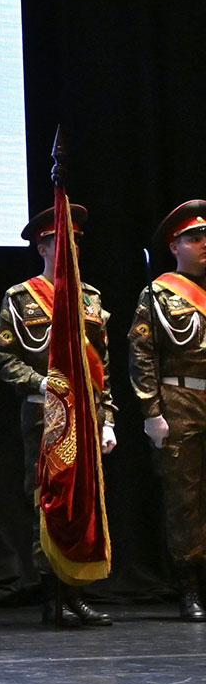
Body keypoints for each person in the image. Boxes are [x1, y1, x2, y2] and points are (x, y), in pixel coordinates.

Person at [0, 204, 116, 627]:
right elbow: (4, 357)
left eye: (76, 242)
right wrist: (39, 381)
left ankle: (76, 591)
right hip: (44, 413)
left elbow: (102, 365)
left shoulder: (91, 298)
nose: (71, 249)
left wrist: (109, 417)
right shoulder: (21, 298)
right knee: (48, 498)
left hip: (87, 414)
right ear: (42, 247)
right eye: (62, 241)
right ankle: (51, 594)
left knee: (84, 502)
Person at [130, 199, 206, 620]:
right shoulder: (158, 294)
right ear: (175, 246)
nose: (204, 243)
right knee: (184, 498)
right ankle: (189, 585)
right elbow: (142, 356)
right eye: (194, 238)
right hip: (179, 400)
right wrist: (151, 411)